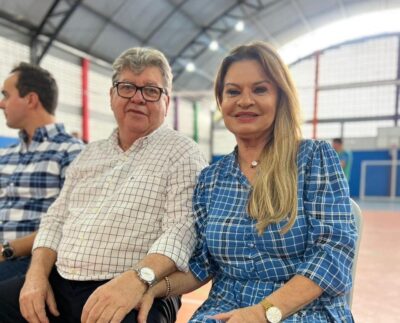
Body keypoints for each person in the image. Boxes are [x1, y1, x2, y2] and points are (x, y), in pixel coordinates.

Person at [138, 41, 357, 323]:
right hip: (225, 310)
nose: (244, 100)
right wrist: (154, 288)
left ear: (281, 97)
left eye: (260, 89)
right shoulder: (211, 180)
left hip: (303, 311)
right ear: (221, 101)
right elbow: (202, 264)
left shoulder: (314, 158)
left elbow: (333, 252)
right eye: (233, 91)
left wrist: (264, 313)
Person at [0, 47, 207, 323]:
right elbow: (55, 221)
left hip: (135, 288)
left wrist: (137, 279)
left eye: (151, 91)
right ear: (111, 96)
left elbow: (182, 230)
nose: (137, 98)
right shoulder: (89, 154)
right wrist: (36, 276)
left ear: (166, 102)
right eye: (127, 87)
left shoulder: (182, 152)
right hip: (60, 281)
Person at [0, 62, 83, 281]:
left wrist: (7, 249)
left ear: (31, 99)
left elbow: (73, 222)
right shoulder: (5, 155)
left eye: (6, 95)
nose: (2, 103)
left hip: (33, 261)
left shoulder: (72, 152)